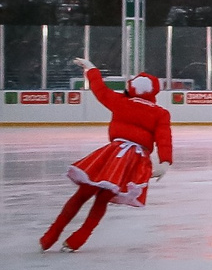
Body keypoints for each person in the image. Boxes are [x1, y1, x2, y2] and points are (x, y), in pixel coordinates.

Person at [42, 61, 172, 251]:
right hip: (132, 160)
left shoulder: (121, 102)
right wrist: (165, 161)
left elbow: (99, 89)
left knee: (82, 193)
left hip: (112, 154)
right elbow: (164, 138)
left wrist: (91, 69)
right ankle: (78, 239)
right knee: (102, 199)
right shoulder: (160, 113)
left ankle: (51, 235)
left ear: (131, 88)